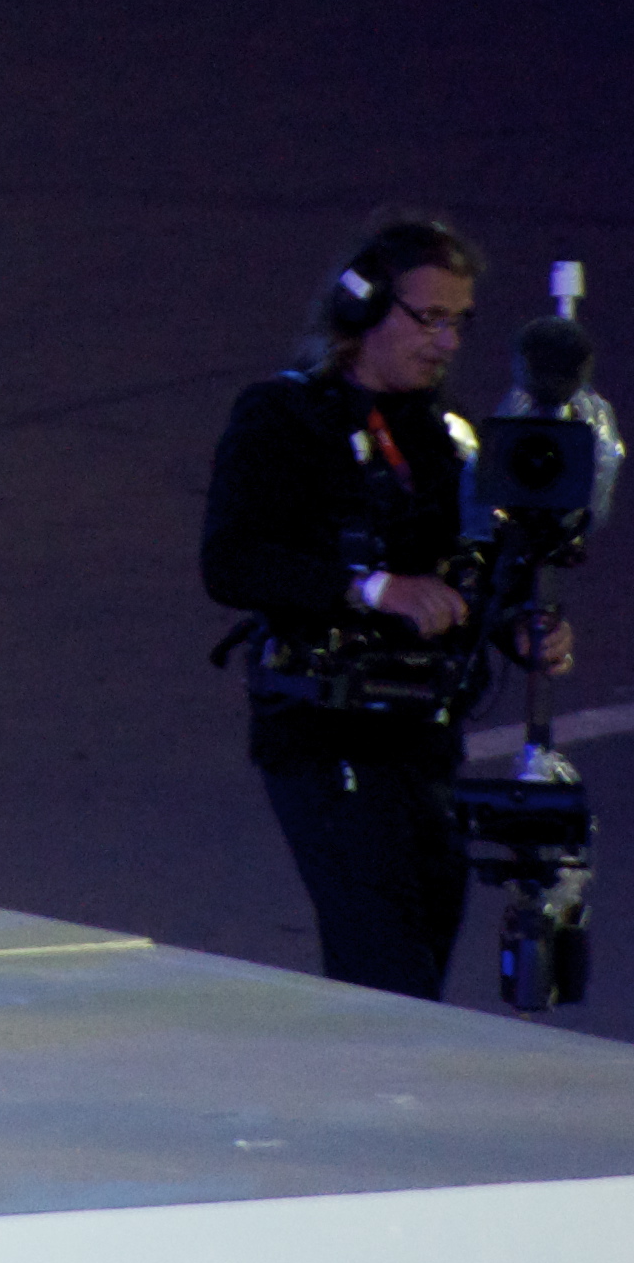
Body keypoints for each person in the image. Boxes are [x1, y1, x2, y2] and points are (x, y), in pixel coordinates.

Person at [201, 217, 571, 1001]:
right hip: (324, 734)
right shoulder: (282, 417)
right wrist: (370, 588)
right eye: (427, 317)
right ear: (364, 306)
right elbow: (231, 561)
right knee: (383, 970)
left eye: (459, 322)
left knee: (423, 966)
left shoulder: (449, 437)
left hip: (423, 743)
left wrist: (516, 629)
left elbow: (469, 579)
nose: (445, 342)